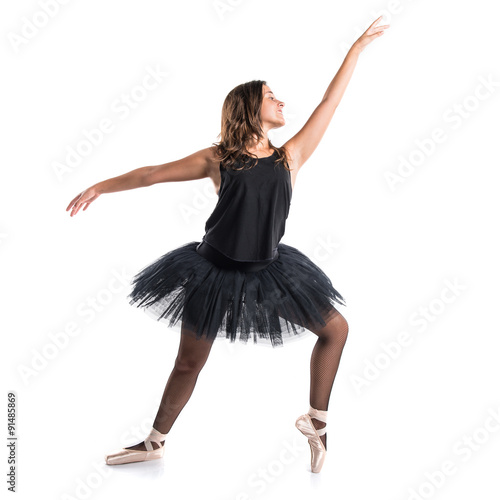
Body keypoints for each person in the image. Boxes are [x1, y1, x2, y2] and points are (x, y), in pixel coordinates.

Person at [66, 16, 389, 473]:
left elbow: (330, 102)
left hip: (269, 272)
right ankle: (154, 441)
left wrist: (355, 48)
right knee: (188, 365)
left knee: (336, 330)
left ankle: (316, 421)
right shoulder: (217, 159)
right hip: (211, 272)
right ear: (248, 107)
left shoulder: (289, 156)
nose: (280, 101)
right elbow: (150, 175)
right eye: (270, 95)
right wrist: (101, 184)